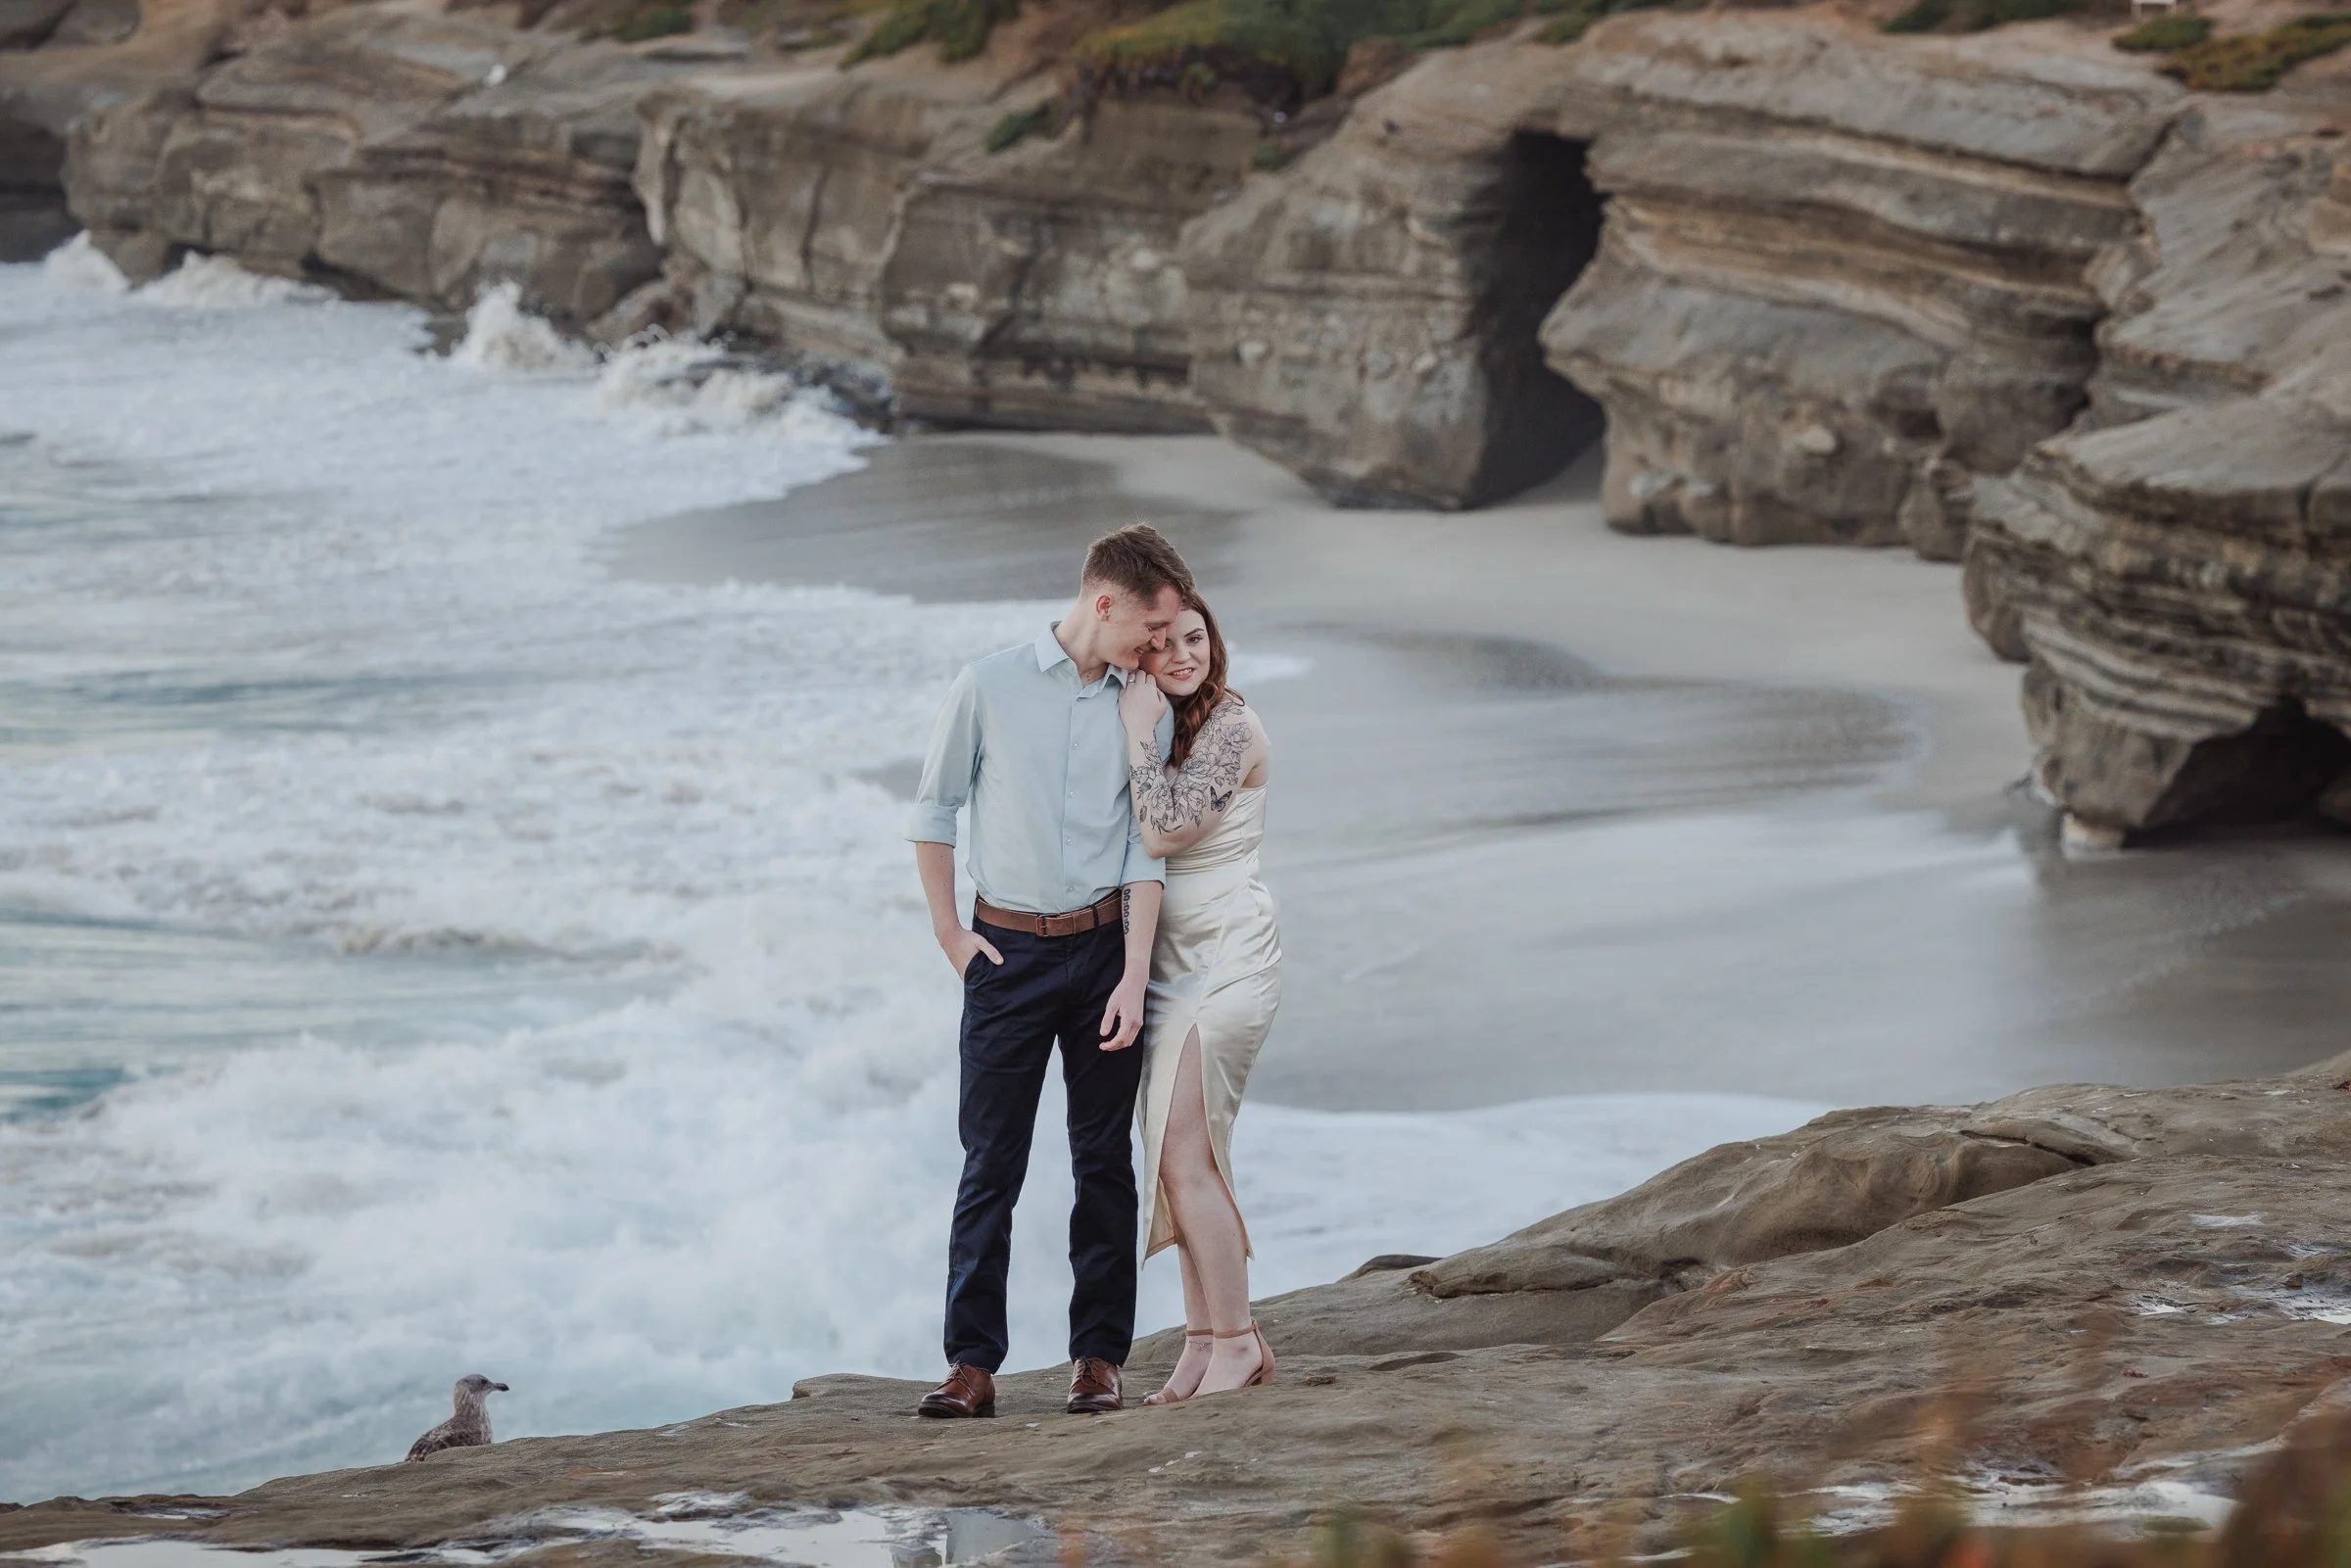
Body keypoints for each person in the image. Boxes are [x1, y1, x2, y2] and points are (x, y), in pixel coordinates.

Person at [907, 524, 1191, 1419]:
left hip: (1108, 953)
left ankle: (1099, 1359)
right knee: (991, 1161)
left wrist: (1134, 969)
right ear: (1102, 602)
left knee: (1103, 1160)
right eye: (1147, 629)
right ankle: (971, 1365)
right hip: (1007, 954)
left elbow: (1149, 848)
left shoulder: (1144, 704)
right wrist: (952, 935)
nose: (1155, 649)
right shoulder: (985, 685)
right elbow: (934, 809)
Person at [1116, 592, 1281, 1403]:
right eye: (1165, 645)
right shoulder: (1182, 726)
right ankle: (1204, 1338)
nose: (1184, 654)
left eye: (1196, 638)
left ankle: (1240, 1340)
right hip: (1175, 967)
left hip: (1229, 958)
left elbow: (1166, 830)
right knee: (1177, 1159)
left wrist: (1137, 736)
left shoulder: (1234, 727)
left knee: (1189, 1154)